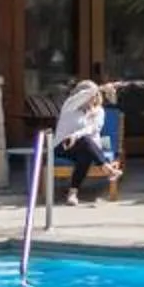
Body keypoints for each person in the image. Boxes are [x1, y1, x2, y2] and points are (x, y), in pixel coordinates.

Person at [51, 77, 126, 207]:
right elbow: (83, 95)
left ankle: (72, 193)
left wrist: (76, 135)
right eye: (90, 95)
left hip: (85, 146)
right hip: (63, 147)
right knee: (85, 142)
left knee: (85, 150)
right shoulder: (70, 106)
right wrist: (102, 87)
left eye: (95, 95)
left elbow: (93, 129)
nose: (92, 98)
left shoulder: (99, 112)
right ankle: (108, 168)